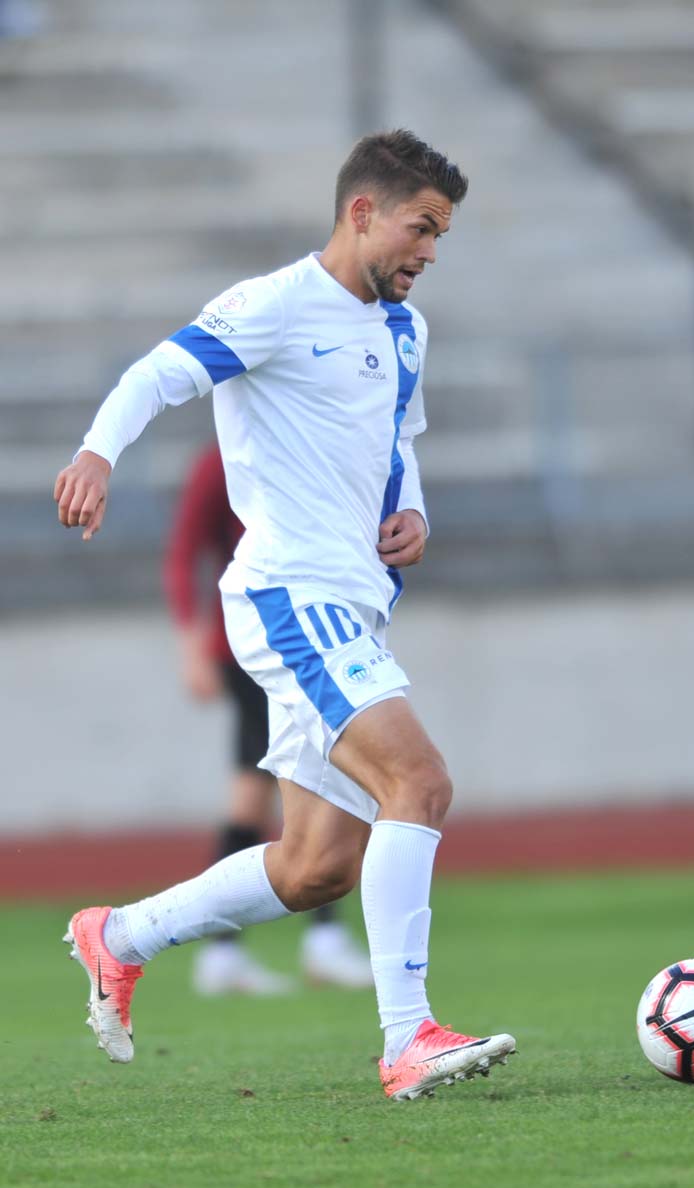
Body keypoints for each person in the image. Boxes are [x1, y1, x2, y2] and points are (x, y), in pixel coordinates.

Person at [53, 129, 516, 1101]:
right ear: (362, 212)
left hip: (354, 600)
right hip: (289, 595)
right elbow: (157, 373)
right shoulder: (272, 305)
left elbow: (397, 441)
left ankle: (119, 936)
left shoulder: (405, 331)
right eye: (421, 228)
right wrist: (97, 452)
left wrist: (414, 512)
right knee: (419, 782)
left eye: (440, 235)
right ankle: (407, 1039)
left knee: (315, 868)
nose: (430, 251)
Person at [165, 441, 374, 993]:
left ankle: (228, 953)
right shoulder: (221, 460)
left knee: (259, 795)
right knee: (312, 785)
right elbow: (185, 551)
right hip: (260, 643)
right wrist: (191, 646)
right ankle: (315, 942)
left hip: (294, 638)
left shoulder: (301, 443)